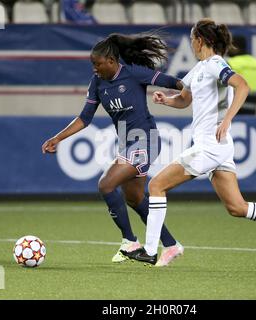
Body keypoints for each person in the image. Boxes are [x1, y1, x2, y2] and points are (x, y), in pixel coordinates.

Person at [122, 19, 256, 265]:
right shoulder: (199, 70)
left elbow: (242, 86)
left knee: (156, 186)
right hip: (218, 148)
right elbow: (184, 99)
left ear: (200, 40)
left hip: (210, 146)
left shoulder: (215, 64)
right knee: (237, 207)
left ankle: (149, 250)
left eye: (192, 38)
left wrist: (227, 121)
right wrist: (166, 99)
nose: (190, 43)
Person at [42, 32, 185, 266]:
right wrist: (58, 138)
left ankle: (130, 241)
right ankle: (171, 245)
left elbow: (172, 82)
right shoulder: (97, 82)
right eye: (92, 65)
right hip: (127, 143)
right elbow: (84, 118)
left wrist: (186, 91)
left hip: (146, 139)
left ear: (111, 61)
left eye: (97, 64)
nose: (94, 69)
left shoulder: (133, 73)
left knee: (106, 184)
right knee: (135, 198)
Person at [227, 35, 256, 115]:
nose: (227, 49)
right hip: (252, 107)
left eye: (229, 46)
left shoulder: (230, 63)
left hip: (233, 107)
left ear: (235, 47)